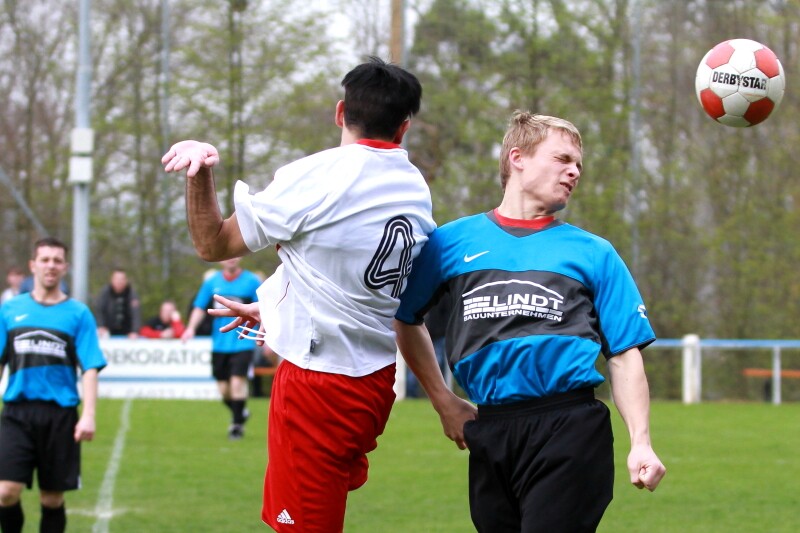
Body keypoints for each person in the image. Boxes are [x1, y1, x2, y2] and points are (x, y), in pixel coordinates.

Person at [162, 57, 473, 533]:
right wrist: (276, 306)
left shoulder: (320, 175)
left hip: (319, 385)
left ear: (340, 112)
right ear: (404, 127)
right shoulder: (413, 187)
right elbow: (350, 272)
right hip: (374, 383)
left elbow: (213, 244)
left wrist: (198, 170)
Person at [394, 111, 666, 532]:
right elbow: (406, 319)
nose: (574, 171)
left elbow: (624, 355)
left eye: (578, 164)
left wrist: (641, 442)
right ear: (517, 158)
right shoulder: (451, 242)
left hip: (569, 427)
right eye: (562, 159)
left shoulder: (594, 252)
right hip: (490, 430)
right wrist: (443, 401)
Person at [0, 237, 106, 533]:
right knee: (5, 492)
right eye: (45, 260)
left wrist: (88, 415)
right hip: (17, 413)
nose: (51, 266)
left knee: (51, 499)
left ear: (65, 267)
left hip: (60, 416)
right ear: (33, 265)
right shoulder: (10, 310)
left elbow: (90, 367)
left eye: (57, 260)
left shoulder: (78, 314)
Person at [181, 258, 260, 440]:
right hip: (219, 344)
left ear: (240, 257)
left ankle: (236, 426)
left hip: (243, 341)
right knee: (224, 390)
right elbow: (199, 308)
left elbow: (264, 308)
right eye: (227, 256)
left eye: (235, 255)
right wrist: (190, 328)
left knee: (237, 382)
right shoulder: (212, 282)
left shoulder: (252, 281)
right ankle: (240, 412)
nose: (231, 259)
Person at [94, 268, 141, 338]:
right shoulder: (105, 293)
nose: (119, 282)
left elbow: (136, 314)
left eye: (122, 279)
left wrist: (135, 331)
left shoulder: (132, 294)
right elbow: (99, 310)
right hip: (107, 332)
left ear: (126, 281)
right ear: (112, 280)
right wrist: (101, 326)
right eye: (117, 279)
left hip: (127, 334)